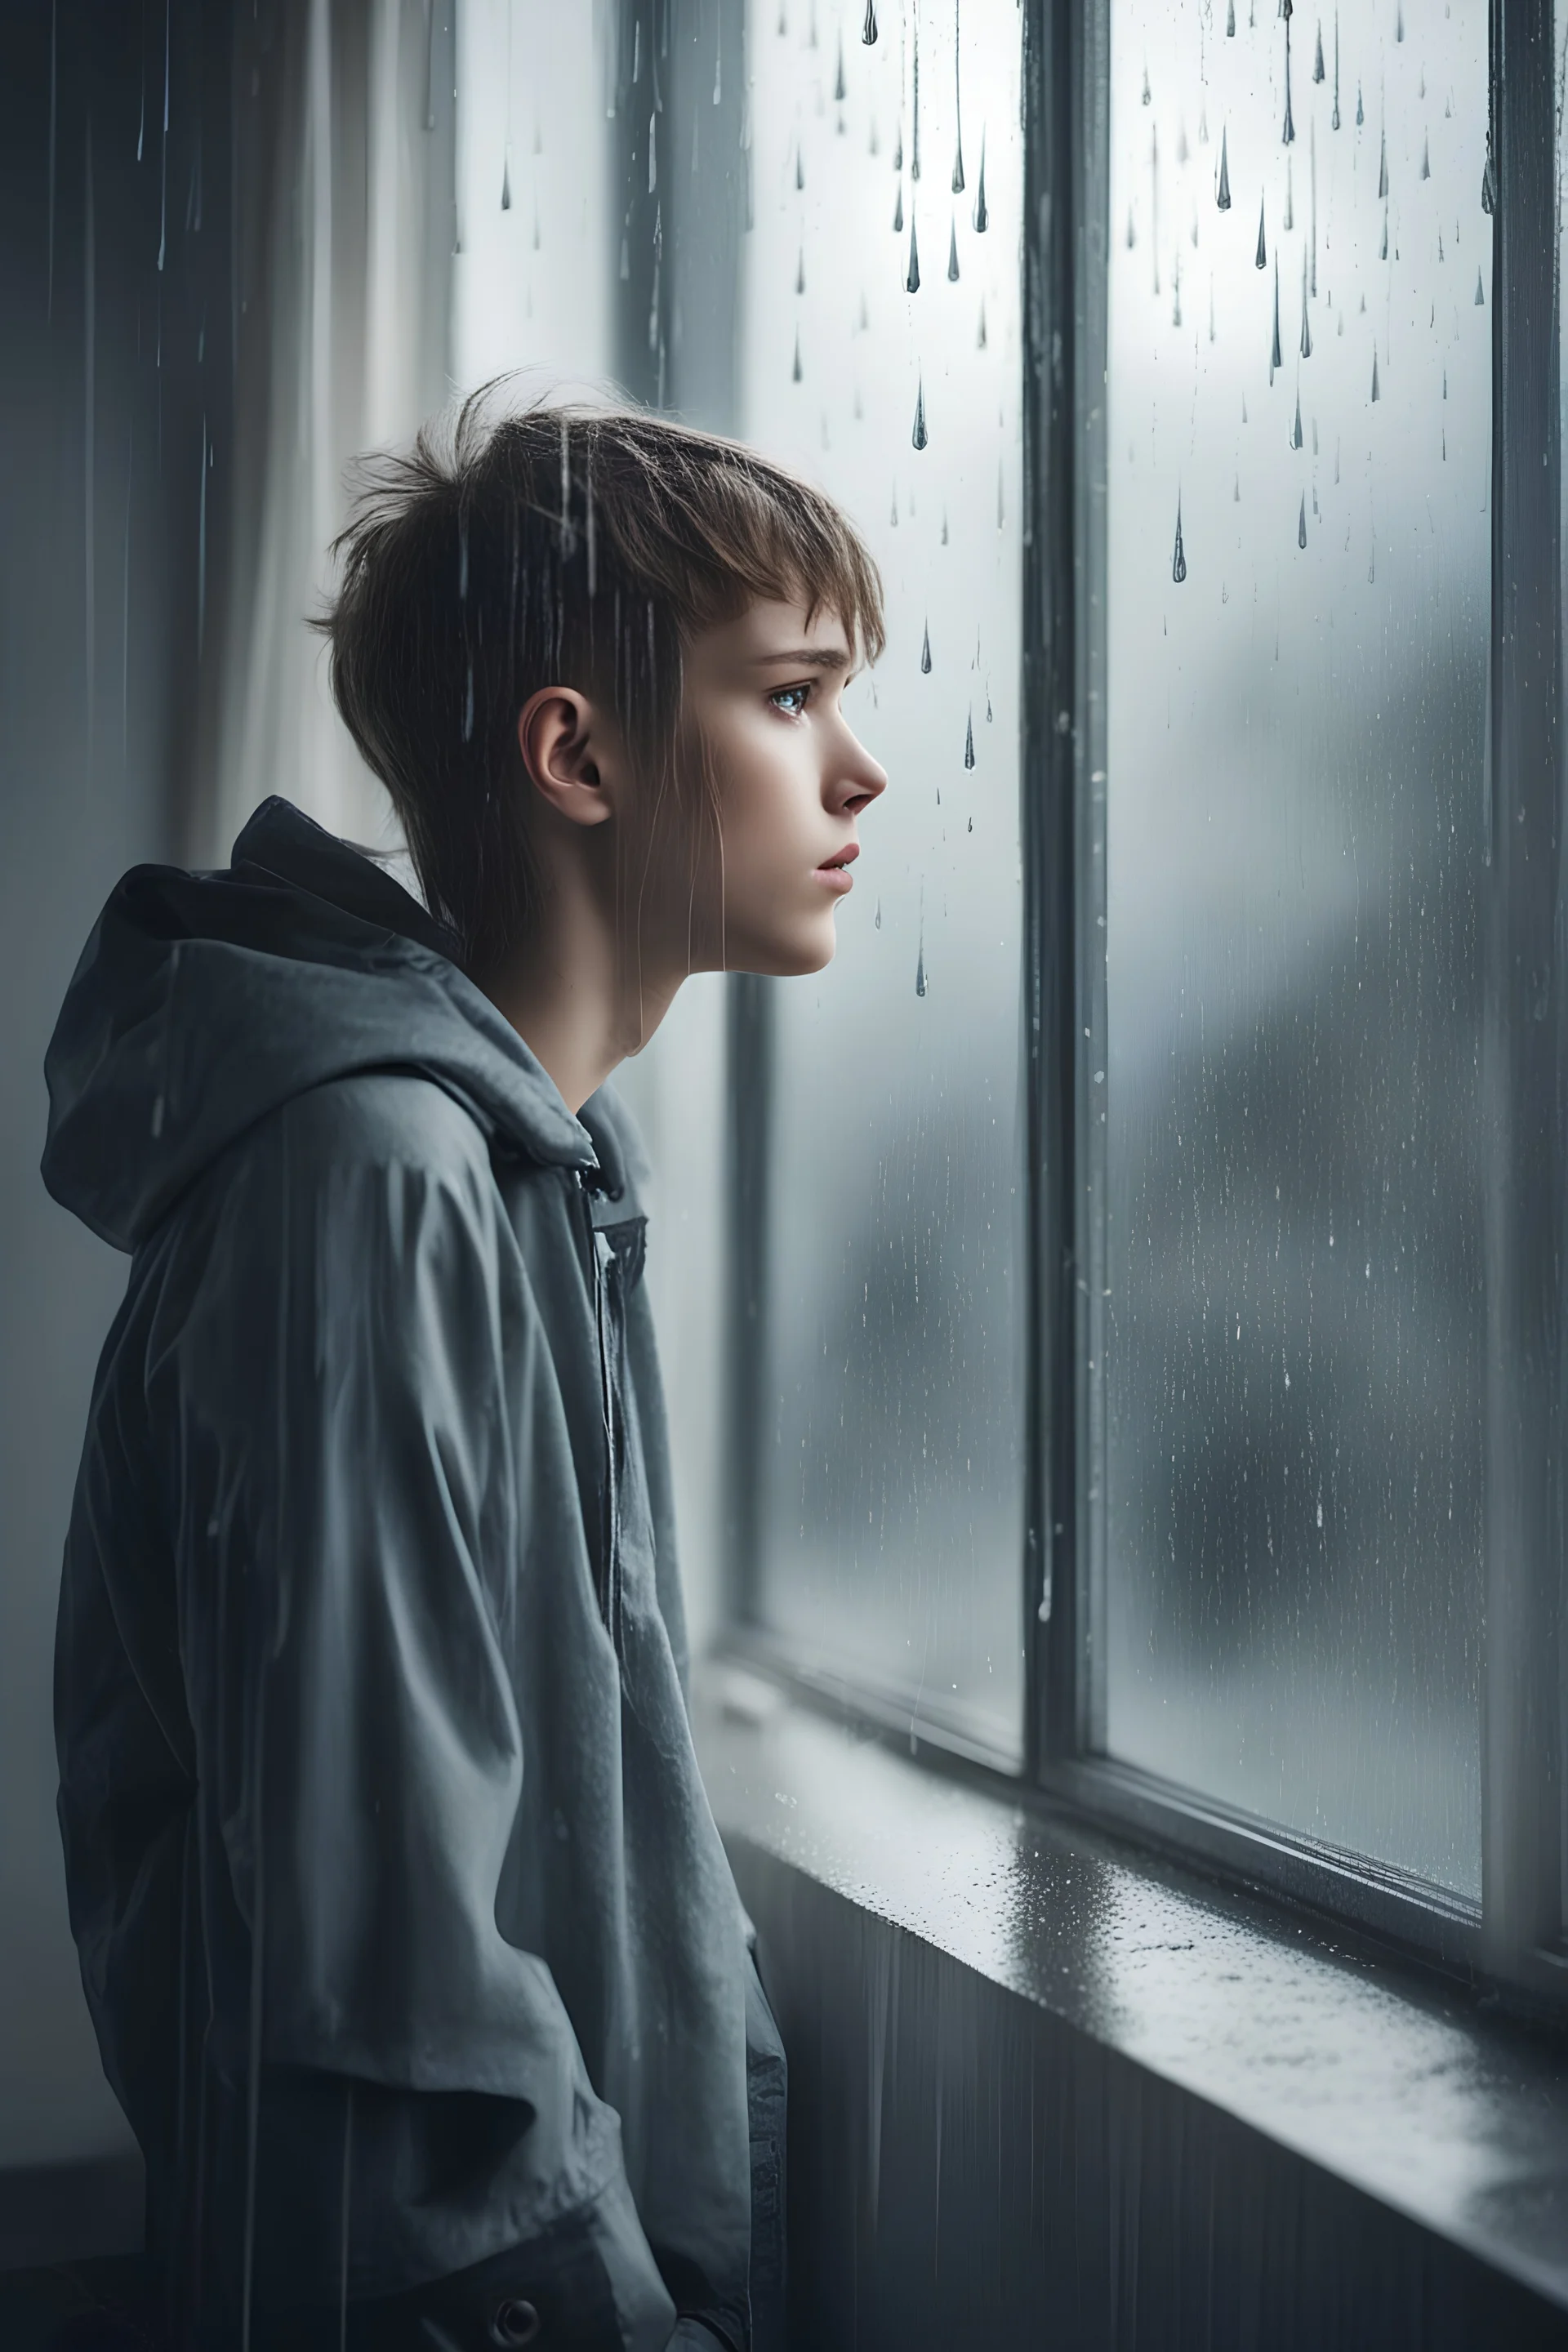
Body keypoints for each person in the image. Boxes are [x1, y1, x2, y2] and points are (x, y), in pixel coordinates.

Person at [42, 391, 888, 2351]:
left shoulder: (541, 1173)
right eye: (787, 698)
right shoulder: (373, 1181)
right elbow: (391, 1960)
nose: (856, 772)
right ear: (574, 753)